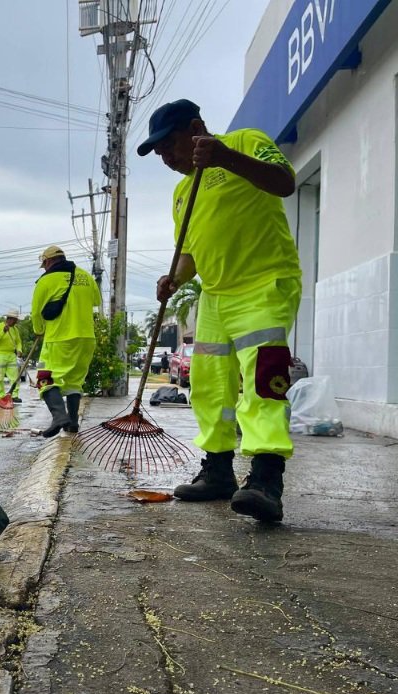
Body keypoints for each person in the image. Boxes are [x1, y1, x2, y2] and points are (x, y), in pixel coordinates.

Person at [138, 98, 302, 524]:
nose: (166, 158)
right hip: (214, 296)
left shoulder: (247, 142)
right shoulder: (181, 193)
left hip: (263, 284)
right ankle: (218, 470)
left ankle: (267, 479)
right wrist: (174, 277)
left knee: (264, 382)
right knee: (210, 387)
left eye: (169, 145)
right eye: (159, 154)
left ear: (196, 128)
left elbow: (285, 182)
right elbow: (190, 251)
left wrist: (225, 157)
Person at [31, 245, 102, 436]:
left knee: (45, 378)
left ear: (47, 261)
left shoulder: (45, 281)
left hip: (60, 338)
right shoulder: (86, 277)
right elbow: (97, 301)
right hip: (86, 338)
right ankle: (72, 423)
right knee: (74, 383)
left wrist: (38, 330)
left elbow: (36, 312)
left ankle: (59, 417)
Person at [0, 310, 23, 403]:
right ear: (10, 319)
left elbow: (18, 342)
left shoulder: (15, 330)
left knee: (15, 377)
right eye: (15, 320)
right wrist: (3, 331)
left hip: (11, 355)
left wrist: (19, 350)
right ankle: (0, 396)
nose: (16, 322)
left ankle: (14, 395)